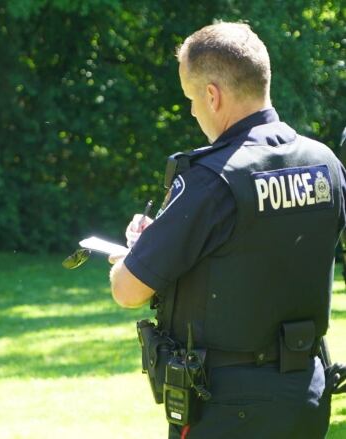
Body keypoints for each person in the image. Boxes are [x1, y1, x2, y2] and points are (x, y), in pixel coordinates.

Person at [108, 23, 345, 438]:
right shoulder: (325, 164)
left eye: (191, 99)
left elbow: (128, 290)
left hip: (225, 404)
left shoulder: (213, 179)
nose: (193, 112)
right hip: (306, 394)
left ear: (212, 95)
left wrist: (132, 255)